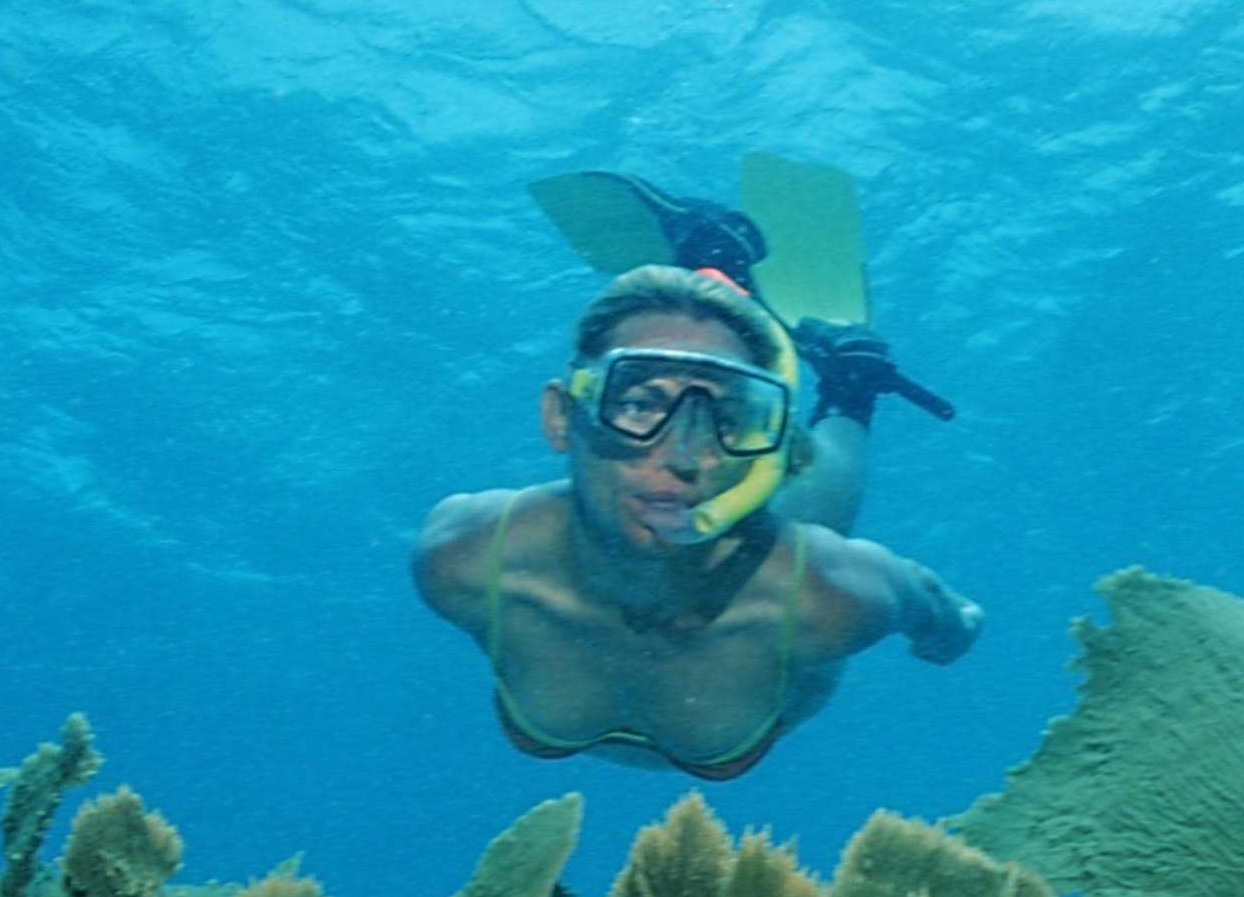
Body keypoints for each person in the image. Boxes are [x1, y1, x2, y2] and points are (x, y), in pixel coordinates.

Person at [417, 258, 979, 780]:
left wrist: (950, 631)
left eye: (729, 418)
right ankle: (726, 277)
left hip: (786, 565)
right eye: (639, 403)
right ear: (561, 417)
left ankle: (851, 388)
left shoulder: (822, 598)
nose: (686, 456)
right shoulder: (462, 557)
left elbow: (940, 609)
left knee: (818, 497)